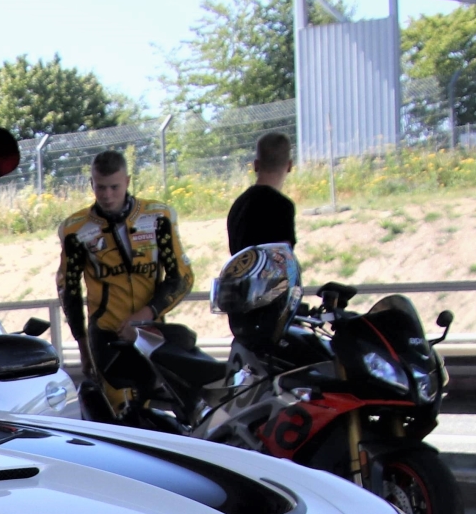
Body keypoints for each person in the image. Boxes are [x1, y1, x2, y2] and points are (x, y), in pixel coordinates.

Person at [56, 149, 195, 421]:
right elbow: (69, 291)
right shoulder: (75, 230)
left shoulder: (158, 218)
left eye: (114, 187)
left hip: (151, 332)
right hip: (107, 336)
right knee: (121, 420)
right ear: (91, 184)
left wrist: (146, 314)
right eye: (100, 187)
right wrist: (82, 346)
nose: (107, 195)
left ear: (128, 181)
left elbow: (182, 278)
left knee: (158, 415)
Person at [227, 131, 297, 255]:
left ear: (256, 165)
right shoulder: (282, 207)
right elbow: (283, 262)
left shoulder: (238, 206)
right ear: (290, 165)